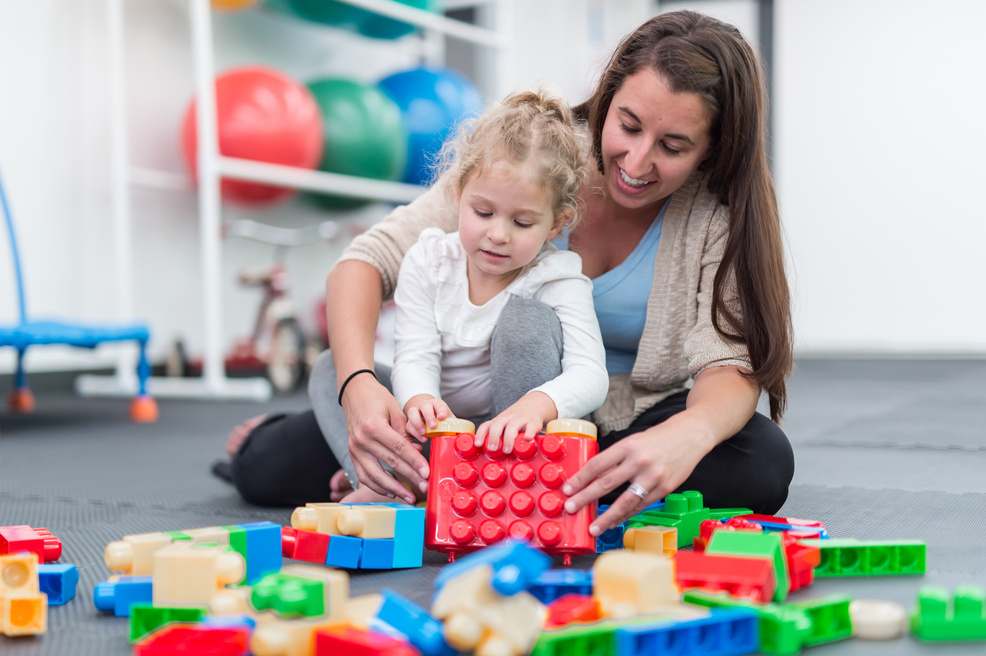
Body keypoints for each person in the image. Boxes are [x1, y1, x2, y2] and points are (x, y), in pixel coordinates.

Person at [229, 10, 795, 537]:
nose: (638, 161)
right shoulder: (530, 160)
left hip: (611, 419)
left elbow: (731, 364)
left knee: (761, 464)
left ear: (711, 151)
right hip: (466, 408)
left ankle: (463, 488)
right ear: (608, 95)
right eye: (628, 125)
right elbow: (364, 263)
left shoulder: (714, 216)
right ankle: (448, 478)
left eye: (673, 146)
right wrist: (358, 388)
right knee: (264, 468)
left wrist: (683, 437)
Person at [342, 89, 608, 502]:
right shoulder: (428, 258)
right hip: (443, 436)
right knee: (335, 372)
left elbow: (591, 375)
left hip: (520, 435)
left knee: (526, 322)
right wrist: (421, 400)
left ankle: (502, 484)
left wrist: (534, 407)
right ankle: (398, 479)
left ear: (557, 224)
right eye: (483, 213)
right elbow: (415, 356)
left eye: (522, 222)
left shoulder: (557, 275)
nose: (497, 235)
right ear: (457, 194)